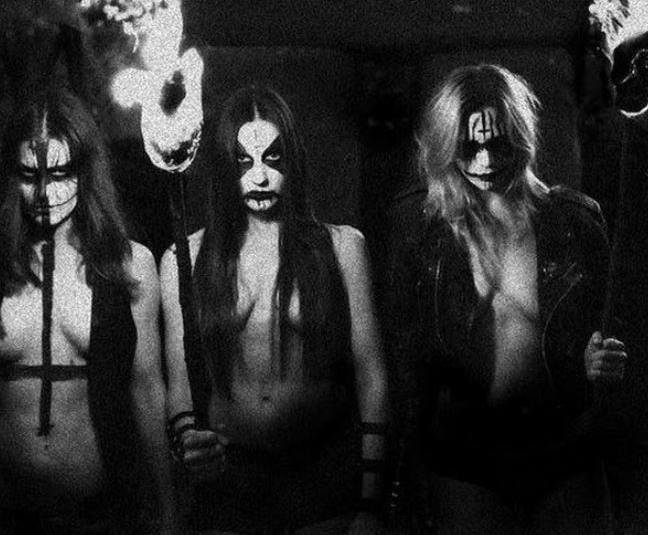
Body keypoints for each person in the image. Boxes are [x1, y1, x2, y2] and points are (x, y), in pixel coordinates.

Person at [385, 64, 627, 534]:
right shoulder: (419, 230)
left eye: (497, 142)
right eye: (468, 147)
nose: (485, 160)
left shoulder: (576, 223)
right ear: (445, 146)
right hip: (464, 459)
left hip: (564, 451)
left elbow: (616, 336)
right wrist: (408, 472)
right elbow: (404, 359)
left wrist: (602, 360)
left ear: (520, 135)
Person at [161, 85, 388, 535]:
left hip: (324, 476)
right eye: (244, 163)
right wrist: (188, 439)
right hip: (230, 480)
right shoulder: (184, 259)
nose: (260, 178)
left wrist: (371, 503)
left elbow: (373, 377)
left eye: (273, 159)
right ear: (225, 168)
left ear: (293, 161)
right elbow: (179, 378)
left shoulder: (342, 247)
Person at [0, 88, 178, 534]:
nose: (45, 193)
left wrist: (167, 513)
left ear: (85, 171)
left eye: (61, 173)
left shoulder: (130, 265)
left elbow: (147, 391)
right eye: (30, 175)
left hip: (102, 515)